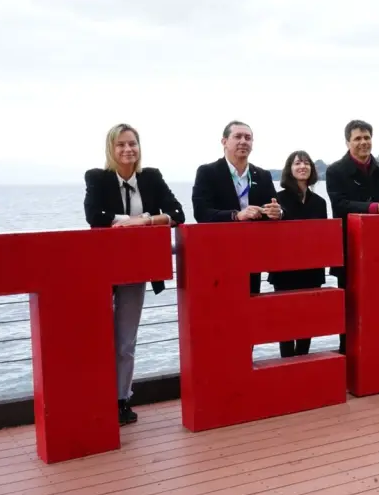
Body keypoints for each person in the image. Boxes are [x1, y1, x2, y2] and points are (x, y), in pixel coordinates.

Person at [83, 123, 185, 425]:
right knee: (98, 337)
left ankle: (121, 398)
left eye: (133, 144)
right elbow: (94, 216)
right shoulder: (97, 178)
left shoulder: (151, 178)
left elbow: (177, 214)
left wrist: (143, 222)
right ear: (111, 149)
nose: (128, 150)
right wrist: (129, 220)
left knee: (126, 340)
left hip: (136, 269)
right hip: (102, 270)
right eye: (121, 145)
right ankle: (95, 396)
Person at [326, 119, 379, 354]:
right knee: (349, 306)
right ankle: (346, 354)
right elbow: (339, 205)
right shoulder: (335, 171)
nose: (363, 142)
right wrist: (375, 208)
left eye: (367, 137)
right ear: (348, 141)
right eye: (357, 138)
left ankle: (376, 352)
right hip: (349, 249)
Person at [191, 120, 283, 295]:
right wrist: (236, 215)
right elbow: (201, 212)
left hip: (252, 254)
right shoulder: (207, 172)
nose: (243, 141)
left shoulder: (262, 175)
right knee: (222, 308)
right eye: (237, 136)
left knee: (251, 306)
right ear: (224, 141)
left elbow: (275, 206)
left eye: (248, 138)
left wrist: (277, 212)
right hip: (219, 254)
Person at [268, 151, 329, 356]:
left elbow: (323, 236)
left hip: (311, 269)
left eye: (306, 163)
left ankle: (303, 358)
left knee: (307, 320)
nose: (302, 166)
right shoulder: (278, 199)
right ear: (290, 169)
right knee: (285, 321)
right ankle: (286, 361)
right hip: (285, 269)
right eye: (297, 163)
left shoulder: (319, 202)